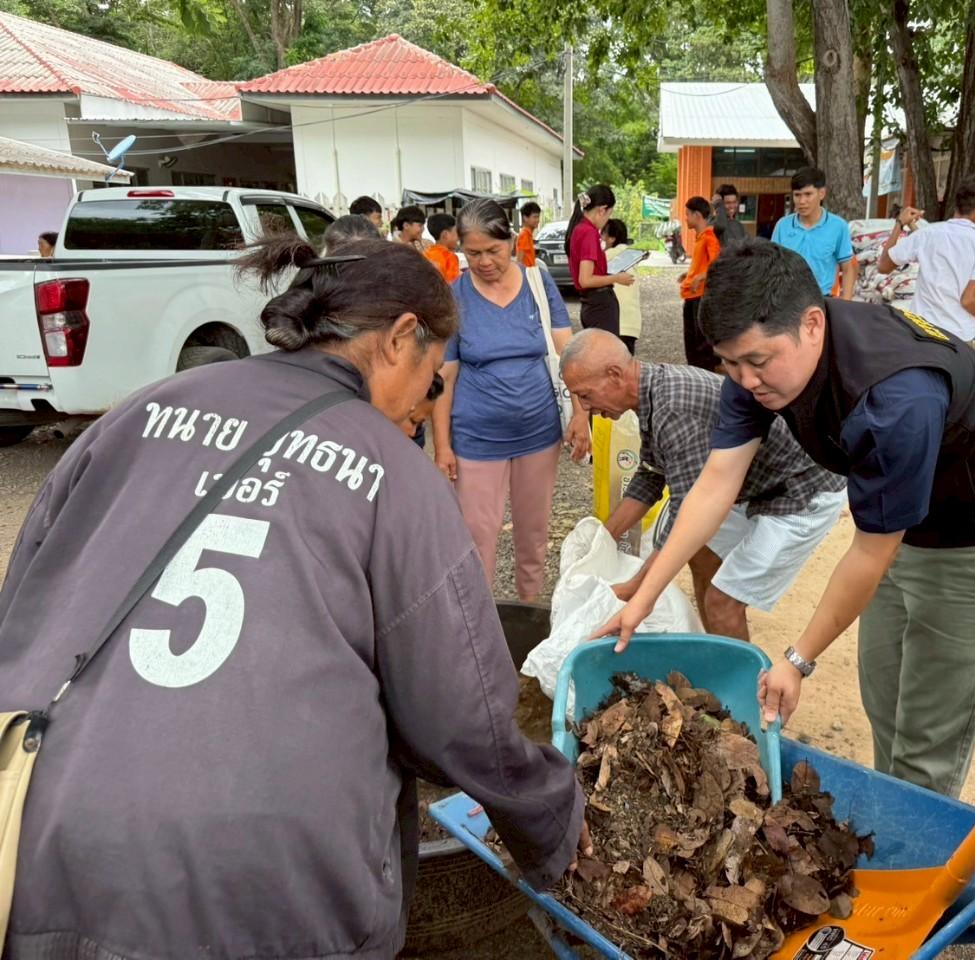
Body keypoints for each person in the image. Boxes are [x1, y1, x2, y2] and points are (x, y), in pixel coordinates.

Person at [0, 236, 588, 960]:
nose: (425, 403)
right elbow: (462, 716)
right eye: (432, 377)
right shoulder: (391, 471)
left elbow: (26, 602)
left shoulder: (140, 410)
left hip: (39, 843)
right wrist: (553, 823)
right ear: (402, 337)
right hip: (262, 893)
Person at [595, 239, 975, 799]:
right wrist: (643, 599)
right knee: (885, 691)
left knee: (929, 729)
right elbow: (715, 485)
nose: (744, 380)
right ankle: (895, 799)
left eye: (756, 362)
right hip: (903, 513)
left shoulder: (892, 399)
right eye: (730, 363)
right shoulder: (759, 361)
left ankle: (917, 840)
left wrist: (796, 660)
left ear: (812, 324)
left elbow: (870, 552)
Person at [562, 329, 845, 639]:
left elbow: (686, 514)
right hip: (752, 486)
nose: (586, 408)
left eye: (585, 395)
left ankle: (732, 668)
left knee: (722, 601)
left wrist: (637, 586)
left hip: (799, 493)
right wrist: (601, 540)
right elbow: (651, 475)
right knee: (700, 554)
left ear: (614, 375)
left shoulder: (674, 409)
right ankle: (714, 647)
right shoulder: (650, 393)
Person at [432, 199, 590, 601]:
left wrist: (581, 413)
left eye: (493, 250)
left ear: (511, 242)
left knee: (533, 532)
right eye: (473, 253)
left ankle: (529, 609)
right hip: (476, 437)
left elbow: (567, 351)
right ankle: (479, 624)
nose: (484, 262)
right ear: (460, 249)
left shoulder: (538, 283)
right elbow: (444, 375)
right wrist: (443, 446)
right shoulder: (454, 296)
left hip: (539, 432)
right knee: (477, 537)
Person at [877, 176, 975, 343]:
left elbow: (883, 266)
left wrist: (899, 223)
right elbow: (969, 300)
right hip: (957, 338)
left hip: (921, 332)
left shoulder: (928, 234)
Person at [771, 166, 855, 300]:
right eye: (797, 195)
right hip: (786, 301)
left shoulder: (838, 227)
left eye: (808, 194)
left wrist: (846, 303)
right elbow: (772, 267)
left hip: (821, 299)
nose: (802, 201)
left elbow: (847, 268)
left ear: (821, 193)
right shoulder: (783, 226)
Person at [566, 185, 635, 335]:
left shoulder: (579, 228)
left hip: (590, 303)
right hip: (599, 304)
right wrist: (616, 278)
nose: (607, 220)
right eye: (609, 214)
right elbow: (585, 280)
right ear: (602, 210)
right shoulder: (589, 232)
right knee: (607, 349)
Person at [680, 196, 721, 372]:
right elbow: (704, 264)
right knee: (691, 341)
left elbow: (718, 264)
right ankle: (695, 374)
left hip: (701, 297)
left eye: (687, 214)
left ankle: (705, 376)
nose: (686, 218)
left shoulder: (709, 237)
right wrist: (689, 275)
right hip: (692, 296)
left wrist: (701, 277)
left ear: (697, 215)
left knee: (701, 344)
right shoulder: (700, 237)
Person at [603, 218, 642, 354]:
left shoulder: (606, 256)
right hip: (632, 323)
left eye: (603, 234)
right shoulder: (632, 255)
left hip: (615, 322)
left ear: (611, 238)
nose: (600, 238)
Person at [424, 213, 461, 284]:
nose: (459, 237)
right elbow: (454, 285)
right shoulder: (450, 257)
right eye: (456, 232)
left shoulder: (426, 253)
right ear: (445, 235)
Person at [711, 183, 747, 249]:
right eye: (728, 203)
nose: (732, 206)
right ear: (720, 203)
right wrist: (718, 205)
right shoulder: (713, 223)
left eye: (734, 202)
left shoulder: (739, 225)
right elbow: (720, 226)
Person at [517, 201, 541, 269]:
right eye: (535, 217)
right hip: (527, 272)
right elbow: (519, 261)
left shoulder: (528, 234)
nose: (538, 220)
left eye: (538, 217)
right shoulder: (524, 235)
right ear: (525, 218)